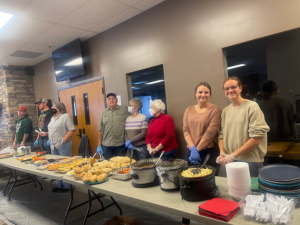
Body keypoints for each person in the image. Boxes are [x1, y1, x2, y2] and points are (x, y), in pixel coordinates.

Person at [217, 77, 270, 177]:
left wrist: (233, 155)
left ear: (240, 88)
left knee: (250, 192)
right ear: (224, 91)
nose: (230, 90)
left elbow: (257, 138)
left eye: (233, 87)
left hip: (250, 162)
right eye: (227, 88)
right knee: (229, 191)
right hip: (229, 160)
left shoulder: (252, 107)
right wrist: (222, 153)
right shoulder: (225, 111)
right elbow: (221, 135)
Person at [183, 82, 222, 174]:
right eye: (200, 92)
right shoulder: (188, 110)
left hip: (209, 152)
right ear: (195, 94)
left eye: (206, 92)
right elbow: (186, 130)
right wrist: (193, 149)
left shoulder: (215, 110)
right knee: (190, 179)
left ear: (210, 94)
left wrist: (196, 149)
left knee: (208, 182)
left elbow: (210, 133)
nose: (203, 95)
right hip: (191, 152)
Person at [48, 102, 75, 193]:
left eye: (54, 106)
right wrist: (47, 135)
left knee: (65, 165)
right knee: (56, 165)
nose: (52, 107)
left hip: (63, 145)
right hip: (53, 145)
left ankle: (67, 186)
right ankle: (59, 185)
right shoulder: (52, 118)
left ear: (59, 108)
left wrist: (63, 141)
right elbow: (53, 131)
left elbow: (71, 130)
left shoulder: (66, 116)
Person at [97, 93, 130, 159]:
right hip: (106, 145)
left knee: (120, 166)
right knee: (107, 166)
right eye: (109, 99)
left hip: (120, 144)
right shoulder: (103, 113)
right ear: (107, 101)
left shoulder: (124, 109)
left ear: (117, 100)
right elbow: (100, 130)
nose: (111, 100)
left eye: (113, 98)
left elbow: (133, 117)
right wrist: (99, 145)